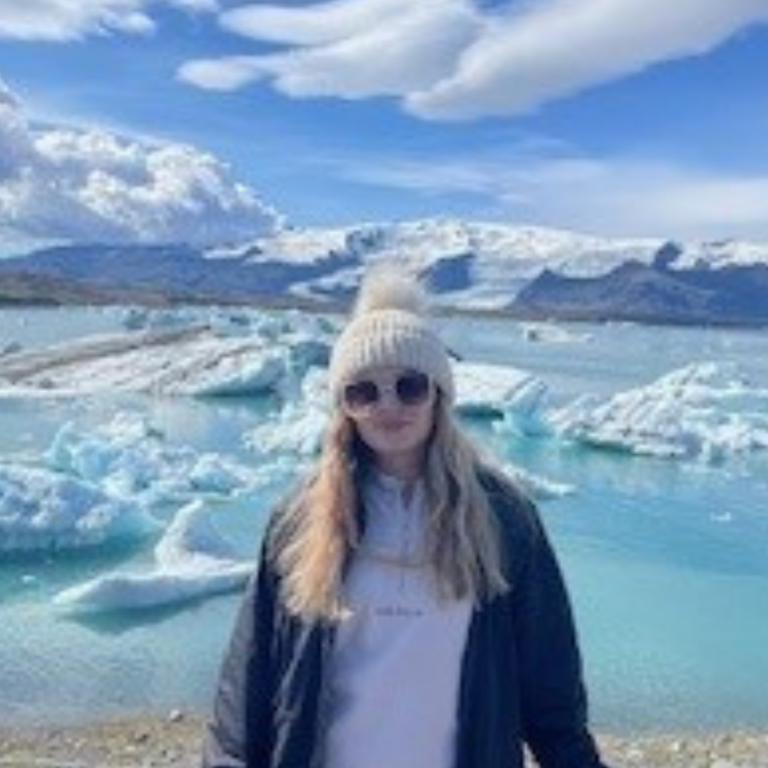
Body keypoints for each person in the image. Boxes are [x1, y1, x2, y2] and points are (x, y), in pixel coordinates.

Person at [202, 267, 609, 768]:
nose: (387, 404)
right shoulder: (301, 519)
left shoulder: (504, 519)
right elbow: (247, 691)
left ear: (439, 394)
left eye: (409, 386)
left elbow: (553, 698)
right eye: (363, 391)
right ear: (344, 407)